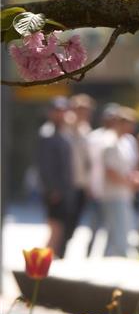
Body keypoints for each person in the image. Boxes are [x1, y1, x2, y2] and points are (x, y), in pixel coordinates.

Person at [101, 107, 139, 257]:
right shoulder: (110, 143)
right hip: (113, 194)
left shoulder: (129, 142)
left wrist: (136, 178)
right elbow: (110, 172)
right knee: (120, 234)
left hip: (127, 194)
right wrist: (129, 183)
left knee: (116, 233)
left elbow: (131, 166)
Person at [37, 97, 77, 258]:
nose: (61, 115)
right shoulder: (47, 134)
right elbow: (45, 165)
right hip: (55, 192)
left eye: (63, 111)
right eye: (58, 111)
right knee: (55, 229)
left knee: (61, 230)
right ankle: (39, 265)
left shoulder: (64, 133)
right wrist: (52, 189)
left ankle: (48, 262)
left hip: (65, 191)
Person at [85, 104, 119, 256]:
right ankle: (88, 256)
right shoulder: (94, 137)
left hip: (113, 191)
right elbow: (88, 164)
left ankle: (108, 257)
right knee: (93, 227)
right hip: (96, 190)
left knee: (113, 228)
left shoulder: (120, 138)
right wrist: (89, 186)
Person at [63, 94, 95, 251]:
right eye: (82, 110)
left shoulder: (86, 129)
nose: (85, 113)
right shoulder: (66, 126)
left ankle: (62, 251)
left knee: (74, 222)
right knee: (65, 221)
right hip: (68, 183)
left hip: (81, 183)